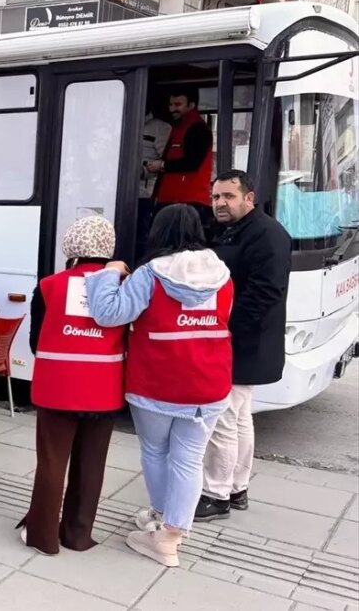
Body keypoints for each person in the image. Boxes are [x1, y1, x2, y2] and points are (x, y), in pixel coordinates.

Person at [85, 204, 234, 568]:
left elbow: (109, 314)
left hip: (157, 381)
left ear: (159, 232)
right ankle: (172, 532)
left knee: (155, 451)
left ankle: (162, 527)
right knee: (189, 458)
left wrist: (107, 274)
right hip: (210, 382)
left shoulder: (151, 274)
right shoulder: (223, 274)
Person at [19, 216, 125, 555]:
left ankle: (43, 536)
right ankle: (78, 535)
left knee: (52, 462)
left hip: (58, 387)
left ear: (71, 245)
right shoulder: (123, 284)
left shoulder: (50, 285)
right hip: (105, 388)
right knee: (92, 463)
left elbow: (36, 342)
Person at [196, 170, 291, 521]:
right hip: (245, 341)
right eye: (216, 196)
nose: (220, 203)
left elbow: (265, 293)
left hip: (243, 342)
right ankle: (237, 488)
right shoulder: (235, 229)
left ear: (248, 198)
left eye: (228, 197)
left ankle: (216, 493)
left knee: (223, 416)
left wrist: (225, 329)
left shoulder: (267, 235)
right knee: (238, 416)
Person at [149, 89, 214, 224]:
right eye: (171, 105)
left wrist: (162, 165)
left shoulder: (197, 128)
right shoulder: (180, 127)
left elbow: (192, 162)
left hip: (186, 199)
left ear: (191, 105)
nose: (172, 109)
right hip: (175, 198)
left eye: (178, 105)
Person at [137, 107, 172, 260]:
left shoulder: (161, 127)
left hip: (145, 192)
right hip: (118, 191)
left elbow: (167, 161)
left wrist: (143, 171)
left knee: (140, 237)